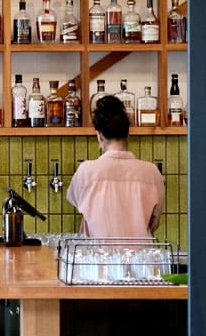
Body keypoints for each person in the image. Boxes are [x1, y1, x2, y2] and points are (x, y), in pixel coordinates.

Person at [66, 94, 165, 239]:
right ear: (127, 132)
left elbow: (77, 204)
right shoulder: (152, 172)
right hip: (140, 259)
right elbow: (154, 224)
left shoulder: (86, 171)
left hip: (96, 259)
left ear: (99, 135)